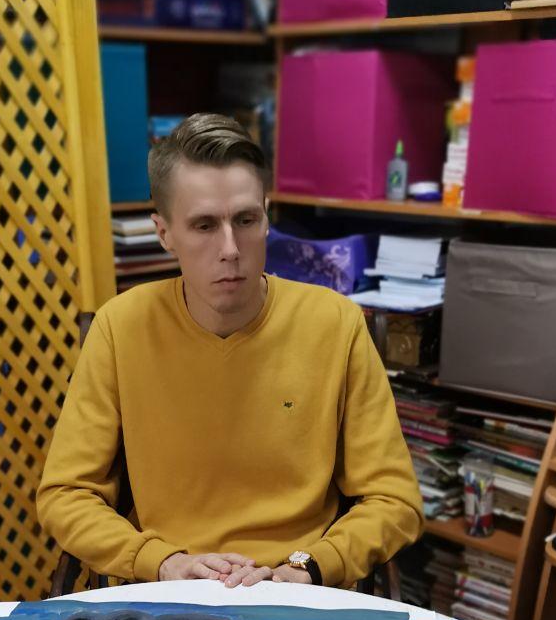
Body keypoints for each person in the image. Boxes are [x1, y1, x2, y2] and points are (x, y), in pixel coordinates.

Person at [37, 113, 423, 590]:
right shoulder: (121, 327)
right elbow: (65, 494)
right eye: (204, 225)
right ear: (164, 233)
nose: (230, 248)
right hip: (167, 589)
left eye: (245, 220)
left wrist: (308, 566)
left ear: (266, 216)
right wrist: (161, 561)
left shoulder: (335, 323)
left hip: (298, 588)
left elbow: (394, 500)